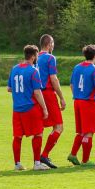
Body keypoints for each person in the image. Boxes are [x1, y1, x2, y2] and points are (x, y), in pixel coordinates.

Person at [9, 45, 50, 171]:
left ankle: (17, 164)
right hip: (30, 108)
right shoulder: (33, 71)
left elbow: (9, 88)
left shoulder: (14, 69)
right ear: (33, 56)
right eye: (36, 56)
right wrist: (44, 108)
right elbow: (37, 92)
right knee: (38, 134)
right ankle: (37, 163)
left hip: (16, 109)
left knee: (17, 136)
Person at [67, 45, 95, 164]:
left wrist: (78, 95)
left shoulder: (77, 67)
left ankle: (73, 154)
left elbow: (71, 85)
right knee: (89, 132)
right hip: (88, 103)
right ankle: (85, 161)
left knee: (81, 131)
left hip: (77, 102)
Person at [36, 34, 66, 169]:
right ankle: (44, 155)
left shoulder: (35, 58)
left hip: (36, 95)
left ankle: (37, 160)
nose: (53, 46)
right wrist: (61, 97)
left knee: (39, 128)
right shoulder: (50, 58)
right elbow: (53, 79)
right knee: (59, 127)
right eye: (53, 43)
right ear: (49, 44)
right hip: (47, 94)